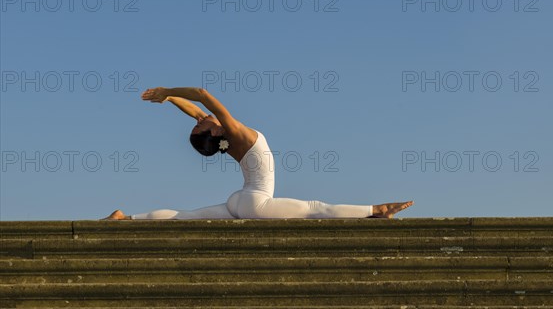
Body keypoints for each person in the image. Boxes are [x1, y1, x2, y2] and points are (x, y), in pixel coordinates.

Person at [102, 87, 414, 220]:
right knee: (315, 209)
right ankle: (377, 209)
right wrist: (167, 90)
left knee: (189, 216)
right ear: (211, 133)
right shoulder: (232, 130)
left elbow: (195, 110)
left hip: (239, 200)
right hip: (255, 202)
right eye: (201, 124)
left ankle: (125, 218)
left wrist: (170, 99)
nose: (201, 118)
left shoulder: (222, 136)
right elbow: (202, 97)